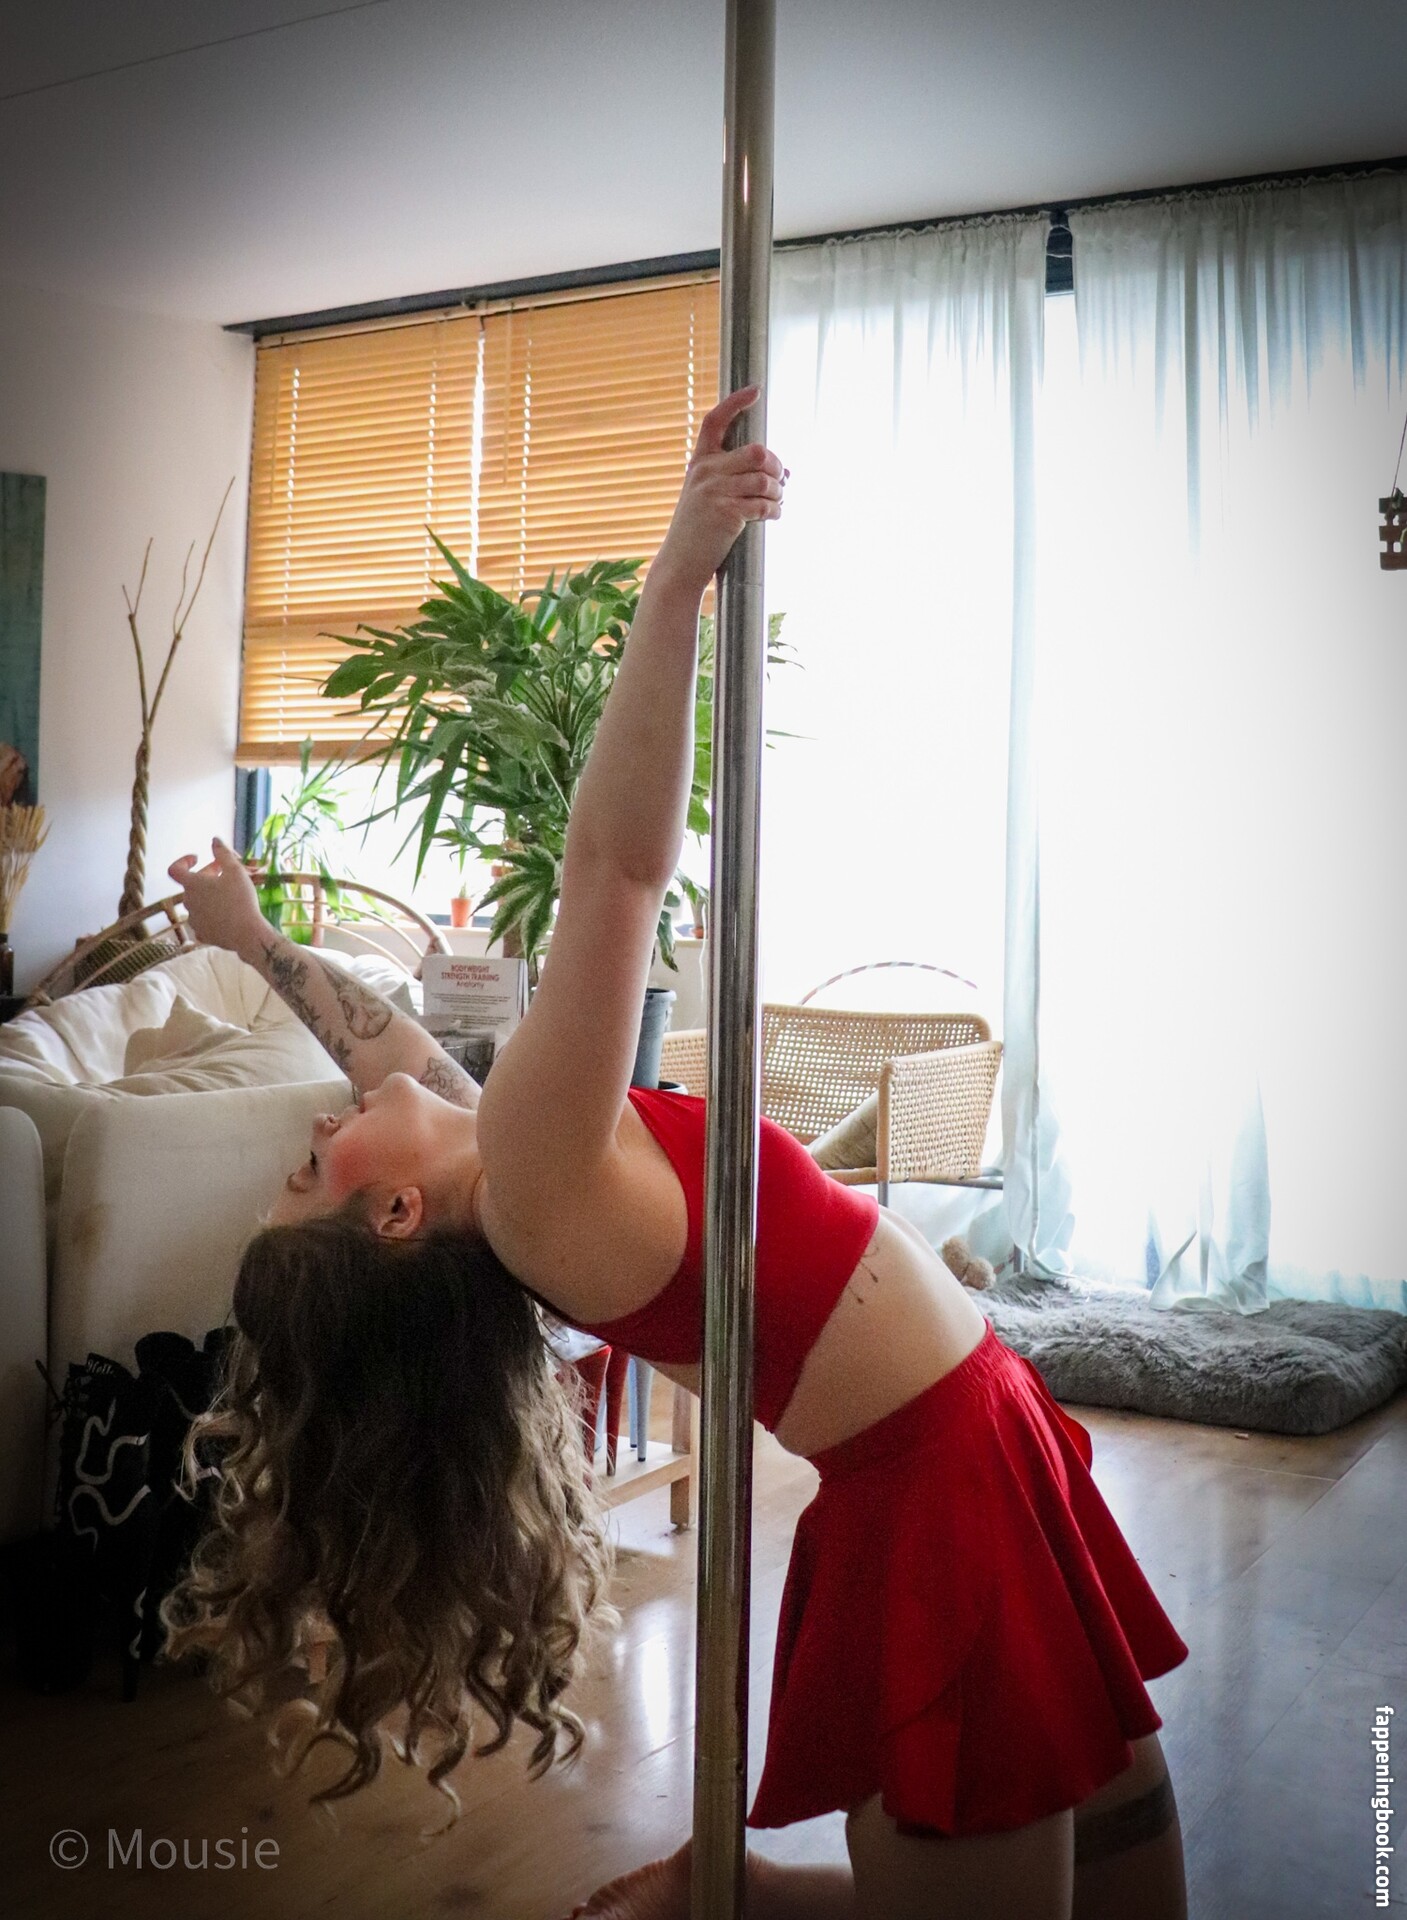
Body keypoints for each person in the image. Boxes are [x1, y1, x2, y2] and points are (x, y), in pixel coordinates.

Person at [161, 387, 1188, 1920]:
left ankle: (732, 1892)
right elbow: (615, 871)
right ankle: (740, 1898)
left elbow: (374, 1050)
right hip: (936, 1485)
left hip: (985, 1422)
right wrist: (675, 578)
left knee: (1130, 1865)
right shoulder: (535, 1179)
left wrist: (252, 941)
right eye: (313, 1172)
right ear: (395, 1213)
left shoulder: (507, 1167)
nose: (318, 1124)